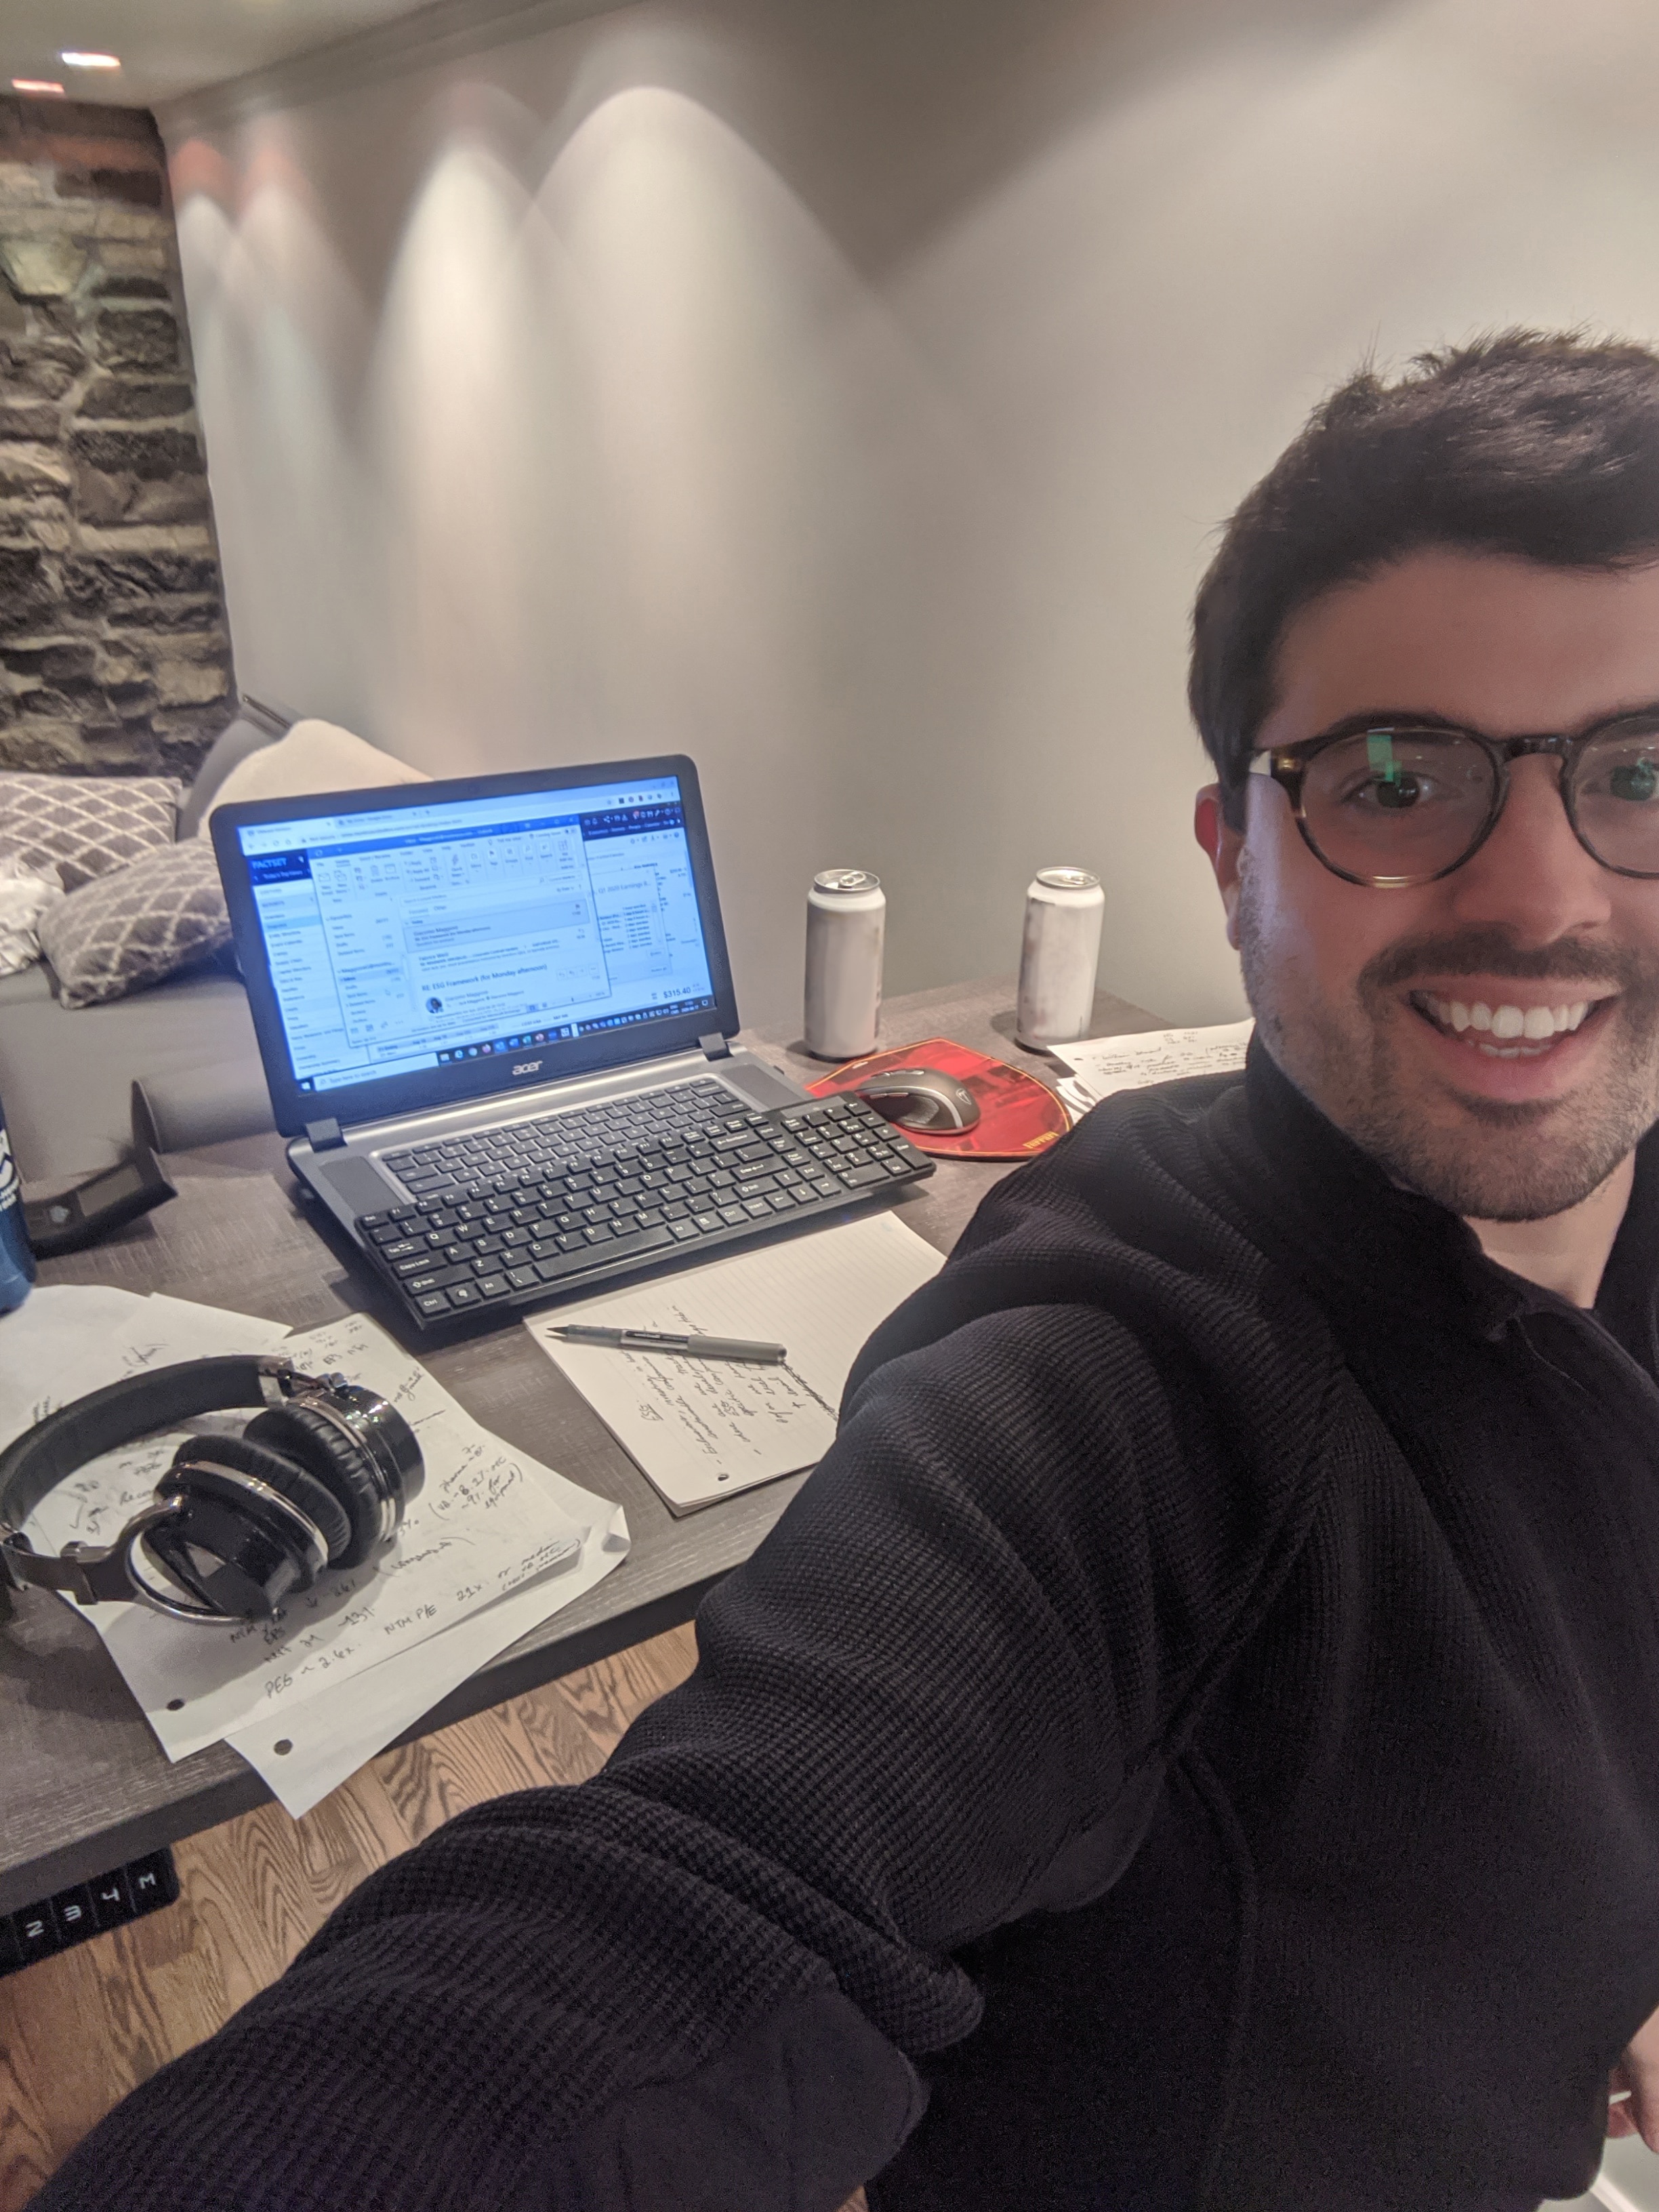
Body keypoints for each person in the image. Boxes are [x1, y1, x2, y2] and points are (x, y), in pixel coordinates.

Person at [35, 331, 1659, 2212]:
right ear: (1234, 860)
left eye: (1643, 768)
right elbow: (704, 1904)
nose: (1543, 897)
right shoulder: (1124, 1388)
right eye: (1393, 778)